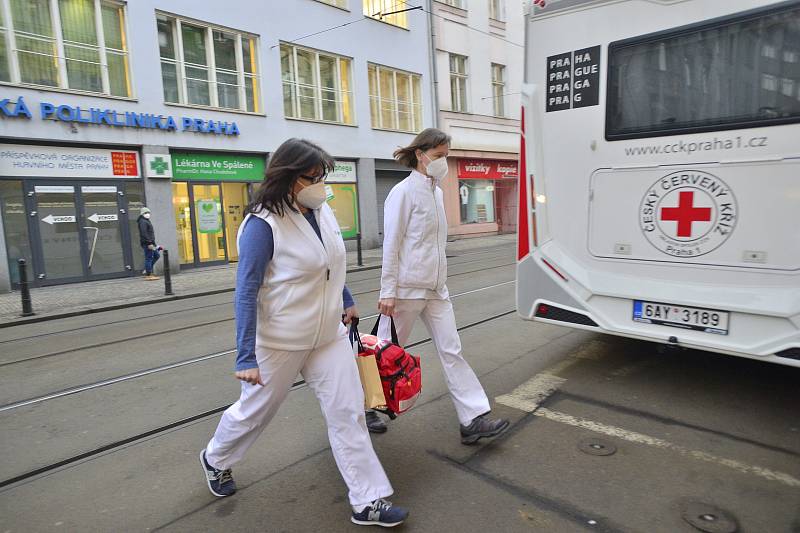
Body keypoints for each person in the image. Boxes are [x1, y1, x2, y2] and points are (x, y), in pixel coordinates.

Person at [198, 138, 408, 528]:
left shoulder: (320, 208)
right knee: (255, 413)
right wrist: (245, 355)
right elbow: (246, 290)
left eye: (323, 176)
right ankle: (216, 458)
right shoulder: (263, 225)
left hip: (327, 336)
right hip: (279, 340)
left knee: (348, 413)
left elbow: (330, 260)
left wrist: (345, 298)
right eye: (313, 177)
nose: (321, 184)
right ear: (290, 177)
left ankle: (368, 500)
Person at [369, 128, 510, 445]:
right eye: (438, 156)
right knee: (385, 353)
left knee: (452, 350)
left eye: (446, 156)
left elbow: (435, 244)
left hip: (435, 289)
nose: (443, 162)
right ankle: (360, 406)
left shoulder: (435, 193)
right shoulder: (402, 193)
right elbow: (391, 245)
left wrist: (440, 277)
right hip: (405, 290)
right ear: (420, 155)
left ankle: (472, 419)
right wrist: (387, 291)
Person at [137, 207, 160, 280]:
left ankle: (147, 270)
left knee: (157, 255)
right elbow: (144, 233)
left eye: (148, 213)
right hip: (148, 243)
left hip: (151, 243)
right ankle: (148, 274)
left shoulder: (146, 220)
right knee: (149, 258)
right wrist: (149, 242)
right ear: (142, 214)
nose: (148, 214)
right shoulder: (142, 222)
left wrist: (154, 244)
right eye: (146, 213)